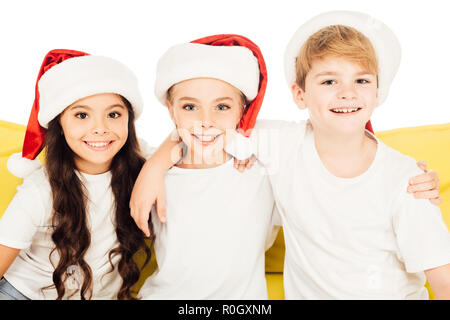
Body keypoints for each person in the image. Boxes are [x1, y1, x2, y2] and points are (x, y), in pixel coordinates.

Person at [228, 10, 450, 299]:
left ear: (377, 92)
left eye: (361, 81)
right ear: (299, 94)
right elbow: (208, 127)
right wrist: (156, 166)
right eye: (329, 81)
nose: (348, 93)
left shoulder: (407, 182)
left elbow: (443, 278)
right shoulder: (283, 144)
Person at [0, 49, 151, 300]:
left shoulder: (139, 166)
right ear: (60, 124)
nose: (100, 128)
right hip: (22, 294)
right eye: (82, 115)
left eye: (113, 114)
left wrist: (155, 170)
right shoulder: (39, 191)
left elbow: (181, 145)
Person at [137, 34, 280, 299]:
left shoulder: (262, 167)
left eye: (222, 106)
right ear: (171, 110)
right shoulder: (152, 171)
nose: (206, 121)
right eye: (190, 106)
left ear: (242, 110)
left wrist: (244, 143)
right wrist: (154, 167)